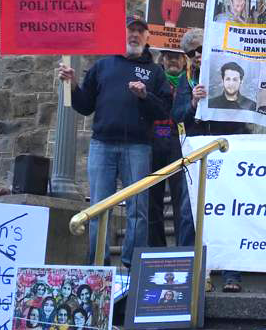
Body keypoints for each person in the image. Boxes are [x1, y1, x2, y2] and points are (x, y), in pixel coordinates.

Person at [58, 15, 173, 270]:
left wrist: (145, 96)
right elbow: (85, 106)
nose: (134, 35)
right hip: (102, 145)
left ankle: (133, 265)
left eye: (139, 32)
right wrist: (74, 85)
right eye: (130, 30)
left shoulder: (155, 72)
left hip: (139, 148)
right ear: (122, 34)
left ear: (146, 38)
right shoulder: (103, 66)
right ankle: (97, 265)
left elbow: (164, 111)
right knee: (99, 208)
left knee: (138, 210)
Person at [174, 28, 249, 292]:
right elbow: (176, 116)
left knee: (229, 211)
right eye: (192, 52)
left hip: (226, 150)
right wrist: (192, 104)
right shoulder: (186, 82)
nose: (197, 56)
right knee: (188, 213)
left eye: (201, 49)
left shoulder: (226, 75)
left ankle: (232, 275)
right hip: (195, 152)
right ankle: (188, 272)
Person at [148, 48, 195, 247]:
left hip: (180, 142)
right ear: (162, 59)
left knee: (180, 197)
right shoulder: (155, 78)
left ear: (184, 61)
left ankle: (180, 249)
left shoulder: (190, 80)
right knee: (153, 198)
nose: (173, 61)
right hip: (155, 140)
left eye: (177, 57)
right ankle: (156, 248)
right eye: (169, 57)